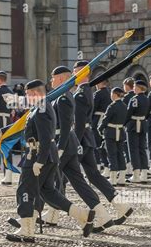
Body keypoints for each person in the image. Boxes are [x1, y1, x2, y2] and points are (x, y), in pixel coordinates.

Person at [6, 79, 95, 243]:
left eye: (27, 93)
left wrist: (39, 161)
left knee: (25, 190)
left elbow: (46, 137)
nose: (26, 96)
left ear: (34, 93)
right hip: (47, 155)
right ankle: (83, 215)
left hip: (38, 155)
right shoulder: (40, 106)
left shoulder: (41, 109)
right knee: (49, 192)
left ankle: (26, 230)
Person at [36, 66, 115, 231]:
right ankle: (103, 216)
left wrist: (59, 149)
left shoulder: (63, 97)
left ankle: (30, 215)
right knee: (77, 182)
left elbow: (65, 127)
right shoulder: (62, 96)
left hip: (63, 144)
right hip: (69, 144)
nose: (51, 81)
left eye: (53, 78)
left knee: (43, 181)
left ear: (60, 79)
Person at [73, 61, 133, 223]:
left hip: (80, 140)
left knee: (63, 175)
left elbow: (79, 123)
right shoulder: (87, 91)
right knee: (94, 175)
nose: (73, 74)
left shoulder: (81, 93)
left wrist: (74, 143)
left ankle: (99, 213)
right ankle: (121, 206)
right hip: (87, 138)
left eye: (76, 71)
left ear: (84, 73)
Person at [99, 88, 128, 186]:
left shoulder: (112, 106)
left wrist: (100, 129)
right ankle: (122, 178)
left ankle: (113, 178)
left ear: (115, 94)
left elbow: (105, 120)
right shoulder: (124, 106)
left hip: (111, 132)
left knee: (111, 154)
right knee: (120, 154)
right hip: (120, 131)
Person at [125, 80, 149, 183]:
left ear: (139, 87)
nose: (133, 88)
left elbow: (129, 113)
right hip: (143, 124)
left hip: (133, 125)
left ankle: (136, 174)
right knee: (142, 149)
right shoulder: (146, 99)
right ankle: (144, 174)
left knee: (133, 150)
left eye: (135, 86)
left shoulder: (134, 99)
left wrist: (124, 123)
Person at [92, 79, 112, 176]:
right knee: (103, 145)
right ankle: (106, 166)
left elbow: (93, 107)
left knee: (97, 144)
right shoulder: (109, 93)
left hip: (97, 120)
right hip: (106, 120)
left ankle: (98, 165)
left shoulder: (98, 94)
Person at [122, 77, 135, 176]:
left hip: (129, 124)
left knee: (128, 146)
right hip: (139, 123)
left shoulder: (126, 98)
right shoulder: (136, 96)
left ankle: (129, 167)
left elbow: (125, 112)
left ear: (127, 86)